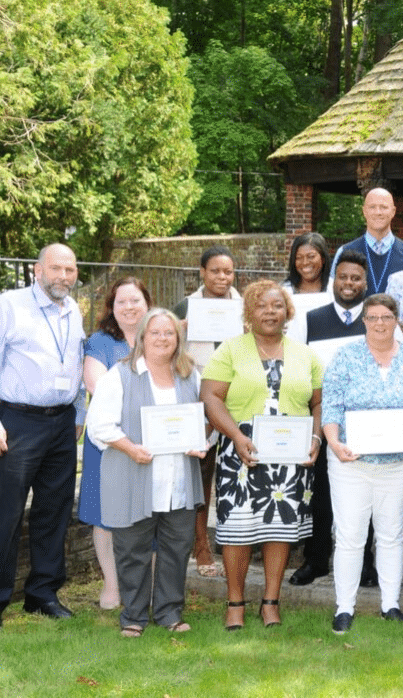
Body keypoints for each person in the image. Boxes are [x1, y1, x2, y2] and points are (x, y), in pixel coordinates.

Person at [0, 244, 85, 635]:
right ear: (38, 269)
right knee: (5, 515)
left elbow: (75, 364)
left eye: (70, 269)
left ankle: (43, 593)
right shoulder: (9, 305)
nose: (63, 276)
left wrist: (78, 417)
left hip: (62, 423)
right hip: (16, 422)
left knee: (53, 512)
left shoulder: (74, 308)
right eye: (56, 268)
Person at [201, 281, 322, 630]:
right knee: (237, 529)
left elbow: (318, 402)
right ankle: (235, 602)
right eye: (261, 306)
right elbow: (210, 397)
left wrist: (315, 437)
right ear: (249, 313)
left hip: (291, 455)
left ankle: (271, 601)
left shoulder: (305, 354)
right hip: (242, 451)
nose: (270, 312)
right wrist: (236, 436)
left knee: (279, 528)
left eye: (277, 306)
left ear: (288, 312)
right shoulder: (230, 350)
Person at [85, 308, 206, 637]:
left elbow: (204, 418)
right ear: (141, 337)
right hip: (133, 475)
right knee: (133, 550)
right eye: (155, 333)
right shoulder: (119, 375)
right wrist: (130, 448)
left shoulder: (189, 374)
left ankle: (169, 613)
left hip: (178, 480)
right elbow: (99, 427)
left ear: (178, 339)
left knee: (176, 549)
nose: (162, 339)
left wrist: (200, 442)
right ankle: (134, 615)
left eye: (169, 333)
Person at [321, 294, 403, 635]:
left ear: (397, 320)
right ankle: (344, 607)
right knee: (350, 536)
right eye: (373, 317)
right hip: (351, 462)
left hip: (399, 463)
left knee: (390, 535)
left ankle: (391, 604)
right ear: (364, 321)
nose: (380, 323)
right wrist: (334, 442)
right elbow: (331, 405)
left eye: (386, 317)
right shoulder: (345, 356)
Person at [289, 248, 369, 588]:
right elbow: (298, 367)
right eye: (344, 277)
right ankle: (317, 558)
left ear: (366, 283)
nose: (349, 283)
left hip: (367, 424)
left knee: (367, 493)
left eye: (356, 278)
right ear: (334, 279)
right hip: (324, 420)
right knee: (320, 493)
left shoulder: (377, 319)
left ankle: (366, 565)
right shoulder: (312, 319)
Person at [80, 277, 152, 611]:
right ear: (112, 306)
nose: (129, 307)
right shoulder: (100, 342)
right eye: (121, 301)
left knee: (149, 512)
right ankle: (112, 585)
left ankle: (143, 584)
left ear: (147, 303)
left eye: (135, 300)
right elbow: (94, 382)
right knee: (104, 514)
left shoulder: (160, 336)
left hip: (150, 439)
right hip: (108, 439)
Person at [173, 245, 240, 579]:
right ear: (202, 272)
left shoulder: (244, 308)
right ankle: (201, 545)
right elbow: (166, 351)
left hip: (238, 404)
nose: (222, 277)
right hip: (198, 406)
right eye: (215, 270)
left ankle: (240, 544)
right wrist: (178, 330)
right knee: (201, 477)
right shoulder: (186, 307)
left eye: (227, 271)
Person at [329, 187, 403, 296]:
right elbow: (332, 295)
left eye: (383, 207)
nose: (378, 212)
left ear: (393, 211)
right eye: (372, 207)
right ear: (364, 211)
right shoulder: (344, 252)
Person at [283, 232, 332, 344]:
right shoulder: (284, 292)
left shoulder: (334, 290)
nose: (304, 263)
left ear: (323, 259)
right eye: (299, 258)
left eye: (311, 257)